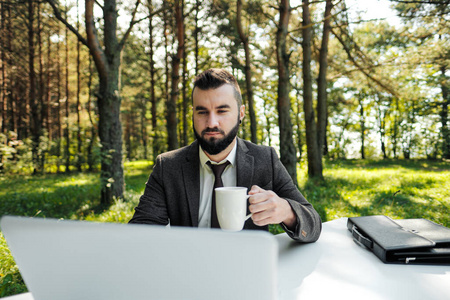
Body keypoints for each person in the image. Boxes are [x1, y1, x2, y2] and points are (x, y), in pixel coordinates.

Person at [129, 68, 321, 242]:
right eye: (202, 112)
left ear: (241, 113)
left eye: (222, 111)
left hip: (247, 271)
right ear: (193, 115)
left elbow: (312, 224)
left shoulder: (265, 159)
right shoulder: (168, 166)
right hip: (188, 270)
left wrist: (287, 211)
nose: (212, 123)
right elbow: (141, 230)